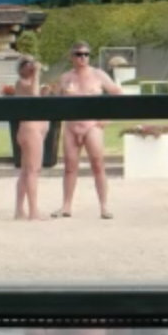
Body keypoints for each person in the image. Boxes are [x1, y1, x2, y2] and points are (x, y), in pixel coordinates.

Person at [53, 41, 123, 219]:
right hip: (71, 126)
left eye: (86, 54)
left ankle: (104, 207)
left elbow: (117, 93)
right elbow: (54, 100)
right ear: (72, 57)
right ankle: (66, 206)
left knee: (98, 165)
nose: (83, 58)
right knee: (70, 167)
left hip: (92, 126)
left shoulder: (98, 74)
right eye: (79, 54)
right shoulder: (65, 77)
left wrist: (106, 118)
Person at [13, 56, 50, 221]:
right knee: (33, 170)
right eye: (27, 64)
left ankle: (19, 210)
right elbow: (34, 95)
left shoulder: (31, 83)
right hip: (30, 130)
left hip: (37, 129)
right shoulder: (21, 83)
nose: (31, 66)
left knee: (26, 171)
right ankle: (33, 211)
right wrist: (37, 74)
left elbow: (37, 96)